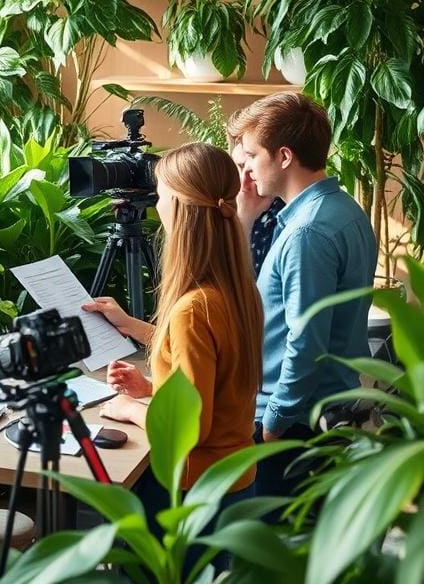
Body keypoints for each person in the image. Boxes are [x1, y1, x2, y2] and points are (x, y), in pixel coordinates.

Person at [83, 142, 263, 533]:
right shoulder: (235, 289)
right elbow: (214, 371)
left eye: (161, 196)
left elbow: (189, 429)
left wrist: (130, 409)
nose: (155, 206)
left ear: (179, 207)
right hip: (235, 478)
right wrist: (150, 383)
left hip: (193, 491)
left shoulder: (193, 309)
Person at [230, 92, 376, 499]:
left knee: (276, 551)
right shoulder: (341, 208)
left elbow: (305, 340)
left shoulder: (306, 233)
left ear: (284, 156)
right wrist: (246, 216)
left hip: (293, 422)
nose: (246, 171)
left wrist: (274, 422)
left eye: (253, 157)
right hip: (321, 408)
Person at [226, 108, 285, 276]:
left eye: (251, 165)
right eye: (240, 166)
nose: (246, 178)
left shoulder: (285, 215)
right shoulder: (223, 206)